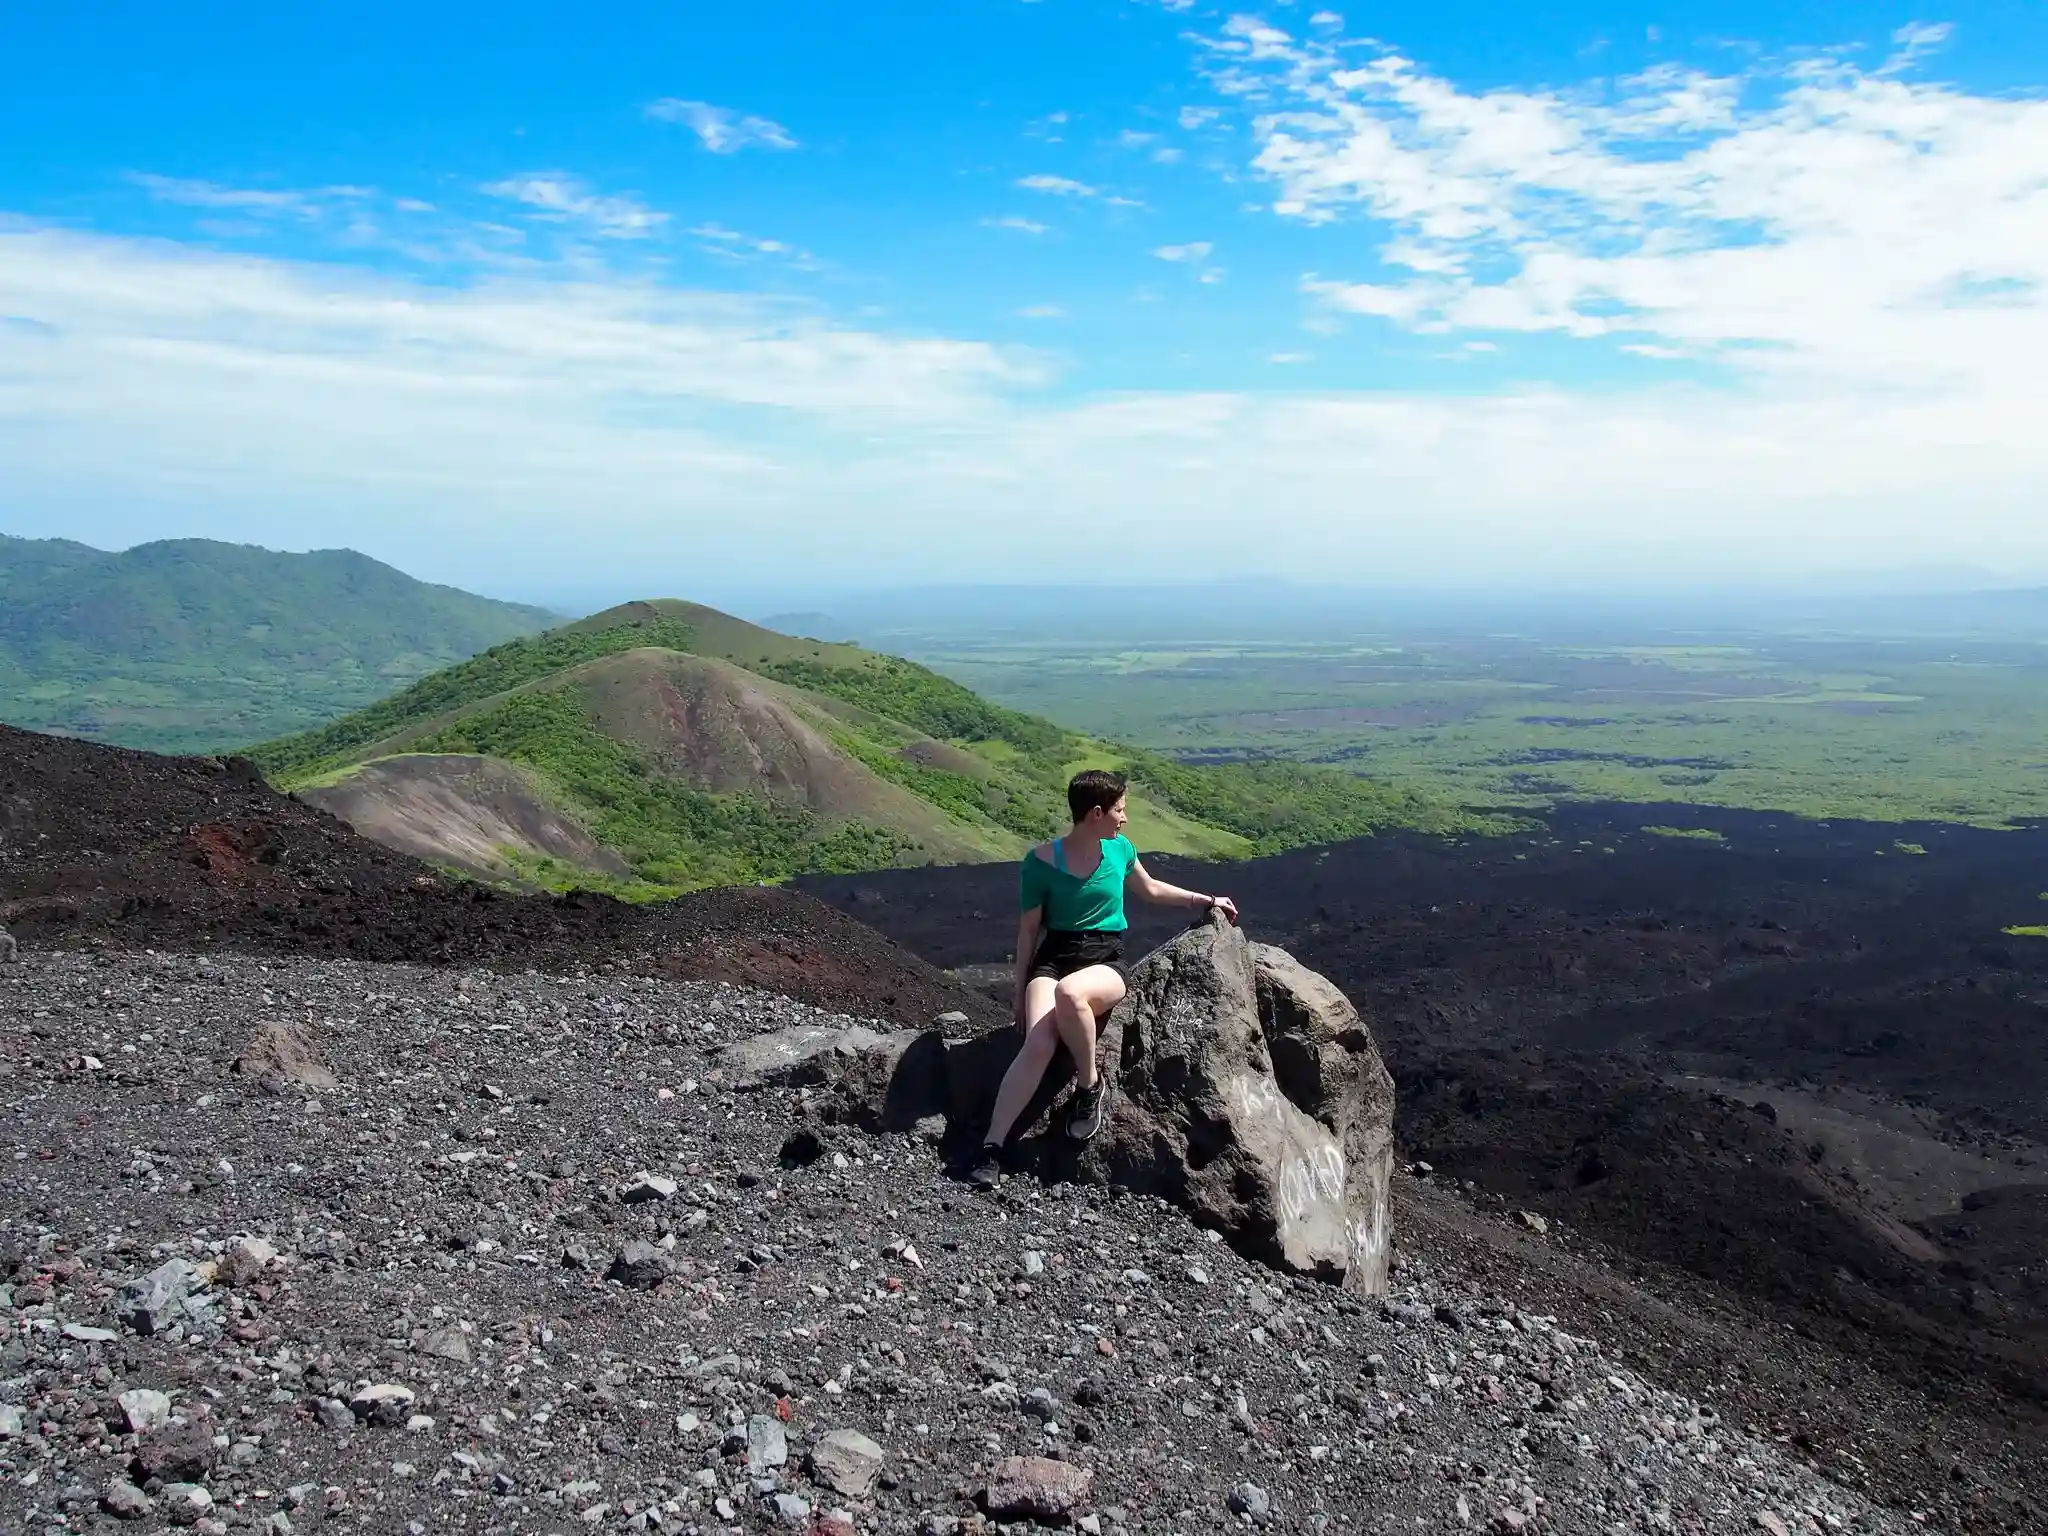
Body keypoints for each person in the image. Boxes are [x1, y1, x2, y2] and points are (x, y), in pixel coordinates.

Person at [969, 768, 1237, 1189]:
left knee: (1071, 994)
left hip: (1104, 960)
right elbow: (1027, 933)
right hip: (1053, 958)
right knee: (1038, 1041)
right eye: (1119, 811)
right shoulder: (1039, 864)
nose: (1124, 819)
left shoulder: (1120, 850)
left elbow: (1149, 890)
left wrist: (1204, 900)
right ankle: (992, 1147)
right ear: (1096, 813)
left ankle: (1088, 1085)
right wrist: (1019, 994)